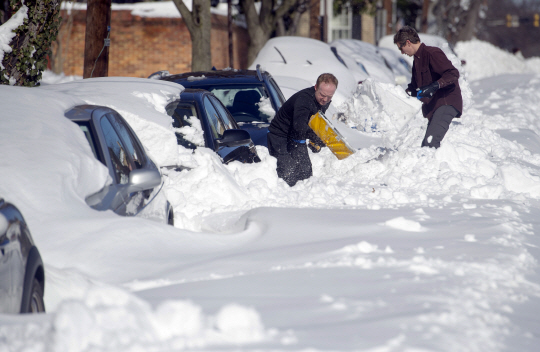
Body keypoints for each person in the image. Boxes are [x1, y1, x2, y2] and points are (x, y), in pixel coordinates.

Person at [394, 26, 463, 148]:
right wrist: (406, 92)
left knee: (430, 144)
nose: (402, 52)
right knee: (426, 146)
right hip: (434, 107)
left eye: (401, 48)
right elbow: (415, 87)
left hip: (446, 102)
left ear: (408, 43)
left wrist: (435, 85)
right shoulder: (417, 60)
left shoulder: (432, 53)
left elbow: (453, 73)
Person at [267, 73, 338, 187]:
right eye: (322, 95)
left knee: (305, 174)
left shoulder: (324, 100)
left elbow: (315, 119)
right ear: (316, 87)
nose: (325, 100)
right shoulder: (304, 100)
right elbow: (299, 126)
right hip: (280, 136)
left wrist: (316, 140)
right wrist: (315, 137)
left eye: (329, 96)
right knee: (288, 174)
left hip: (296, 137)